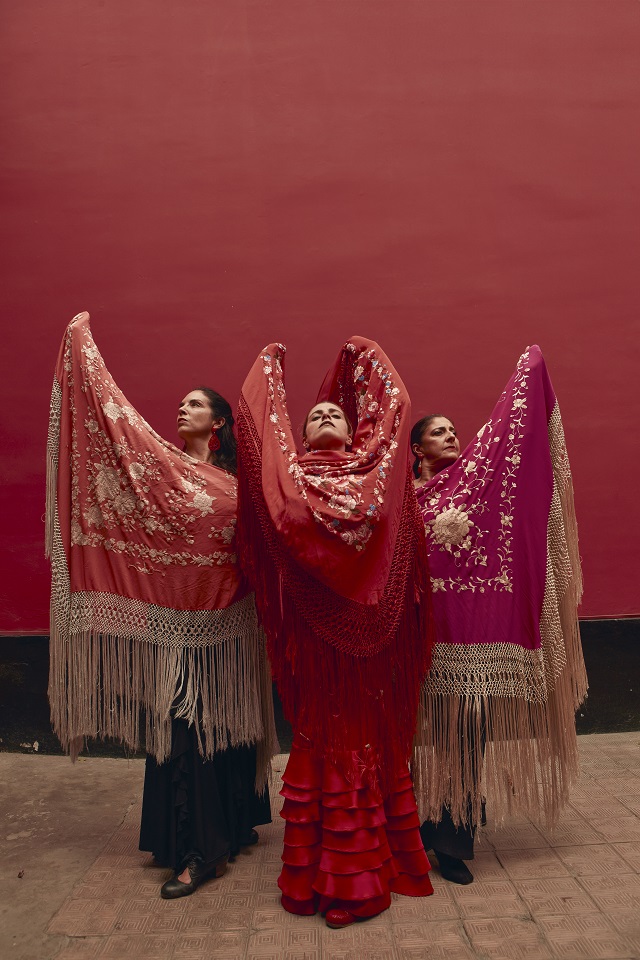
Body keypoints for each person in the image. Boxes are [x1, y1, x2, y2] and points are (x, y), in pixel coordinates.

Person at [46, 312, 278, 900]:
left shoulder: (239, 479)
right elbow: (120, 438)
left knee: (220, 728)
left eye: (195, 404)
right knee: (181, 733)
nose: (183, 409)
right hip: (173, 627)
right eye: (181, 403)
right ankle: (195, 845)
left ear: (218, 422)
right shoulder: (160, 473)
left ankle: (218, 841)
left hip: (228, 625)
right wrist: (85, 362)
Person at [236, 337, 435, 929]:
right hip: (314, 638)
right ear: (298, 437)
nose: (325, 416)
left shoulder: (377, 473)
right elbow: (261, 446)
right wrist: (268, 373)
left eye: (335, 415)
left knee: (366, 741)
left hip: (373, 639)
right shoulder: (290, 480)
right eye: (315, 416)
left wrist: (366, 353)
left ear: (354, 433)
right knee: (322, 740)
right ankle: (317, 877)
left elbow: (396, 407)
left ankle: (361, 881)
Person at [410, 346, 587, 885]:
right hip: (413, 638)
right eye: (438, 432)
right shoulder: (401, 498)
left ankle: (452, 839)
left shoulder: (478, 490)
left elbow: (520, 470)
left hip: (474, 641)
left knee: (467, 735)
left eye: (453, 430)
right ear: (416, 449)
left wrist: (529, 370)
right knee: (410, 741)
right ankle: (410, 827)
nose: (450, 436)